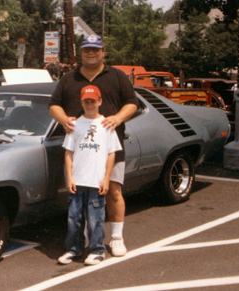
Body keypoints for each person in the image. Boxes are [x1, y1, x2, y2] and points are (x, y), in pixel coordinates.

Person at [49, 34, 139, 257]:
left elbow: (132, 103)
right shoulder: (69, 78)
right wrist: (64, 120)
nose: (91, 53)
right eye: (87, 49)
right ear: (81, 52)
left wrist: (118, 118)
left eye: (95, 49)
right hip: (79, 150)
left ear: (102, 52)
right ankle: (87, 239)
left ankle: (116, 237)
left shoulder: (116, 76)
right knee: (81, 197)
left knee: (113, 191)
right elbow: (54, 105)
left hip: (109, 147)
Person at [57, 85, 122, 266]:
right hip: (77, 180)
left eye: (93, 101)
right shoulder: (75, 125)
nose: (90, 105)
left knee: (95, 218)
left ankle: (96, 250)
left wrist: (106, 178)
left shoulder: (107, 125)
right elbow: (69, 153)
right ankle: (74, 248)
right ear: (81, 102)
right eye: (86, 101)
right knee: (74, 218)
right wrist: (69, 177)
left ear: (100, 101)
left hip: (96, 181)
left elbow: (111, 154)